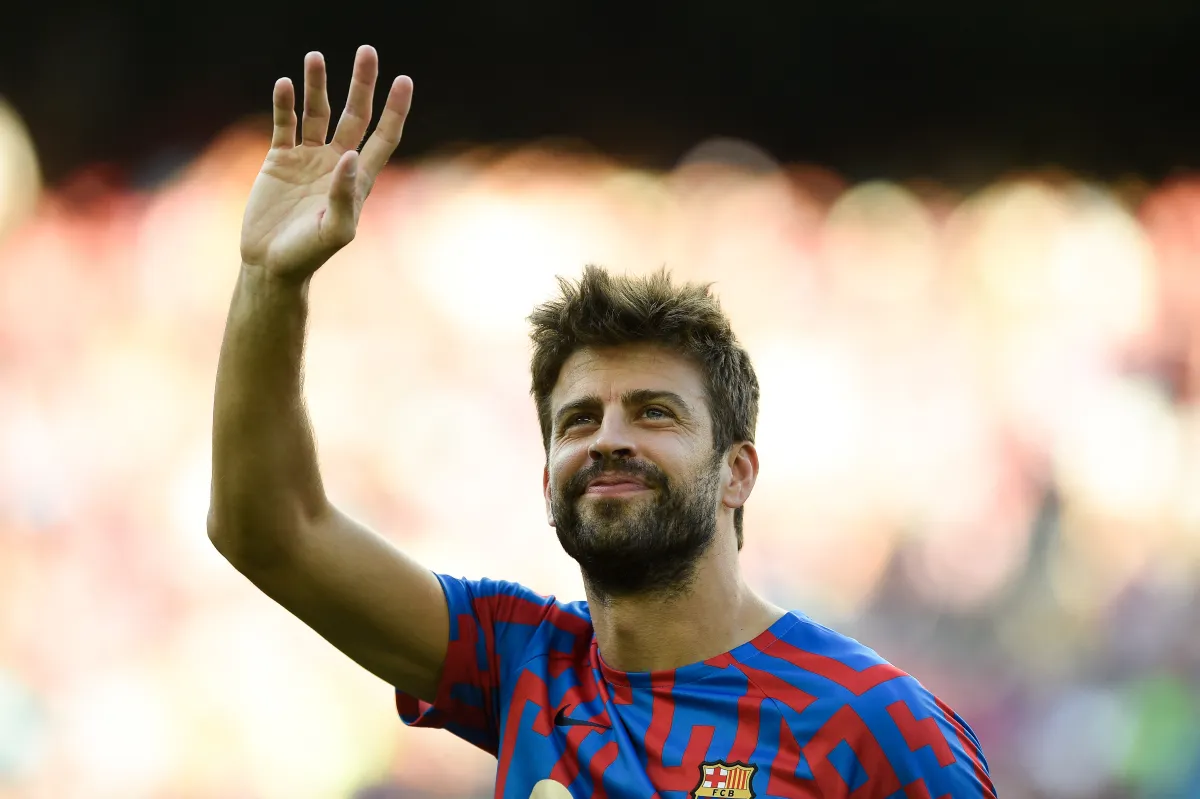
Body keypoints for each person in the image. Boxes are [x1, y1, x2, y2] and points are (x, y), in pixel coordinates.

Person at [208, 44, 998, 799]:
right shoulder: (525, 661)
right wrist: (270, 281)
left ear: (737, 471)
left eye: (654, 412)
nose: (609, 438)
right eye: (579, 420)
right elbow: (271, 531)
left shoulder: (873, 724)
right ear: (546, 475)